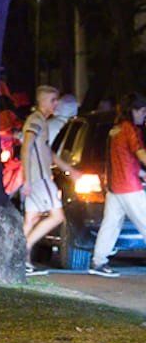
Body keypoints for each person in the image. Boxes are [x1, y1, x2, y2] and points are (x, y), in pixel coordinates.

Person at [21, 85, 78, 276]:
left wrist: (69, 169)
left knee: (32, 218)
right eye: (53, 100)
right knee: (57, 216)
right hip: (40, 178)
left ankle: (20, 260)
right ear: (43, 101)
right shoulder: (36, 121)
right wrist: (27, 179)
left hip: (37, 178)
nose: (56, 104)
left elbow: (48, 152)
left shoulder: (40, 121)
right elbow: (26, 147)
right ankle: (23, 250)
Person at [89, 94, 146, 278]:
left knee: (111, 225)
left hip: (115, 186)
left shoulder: (115, 129)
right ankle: (99, 261)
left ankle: (98, 262)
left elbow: (123, 159)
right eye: (143, 111)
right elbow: (140, 155)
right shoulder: (131, 129)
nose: (144, 116)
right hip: (129, 186)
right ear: (134, 110)